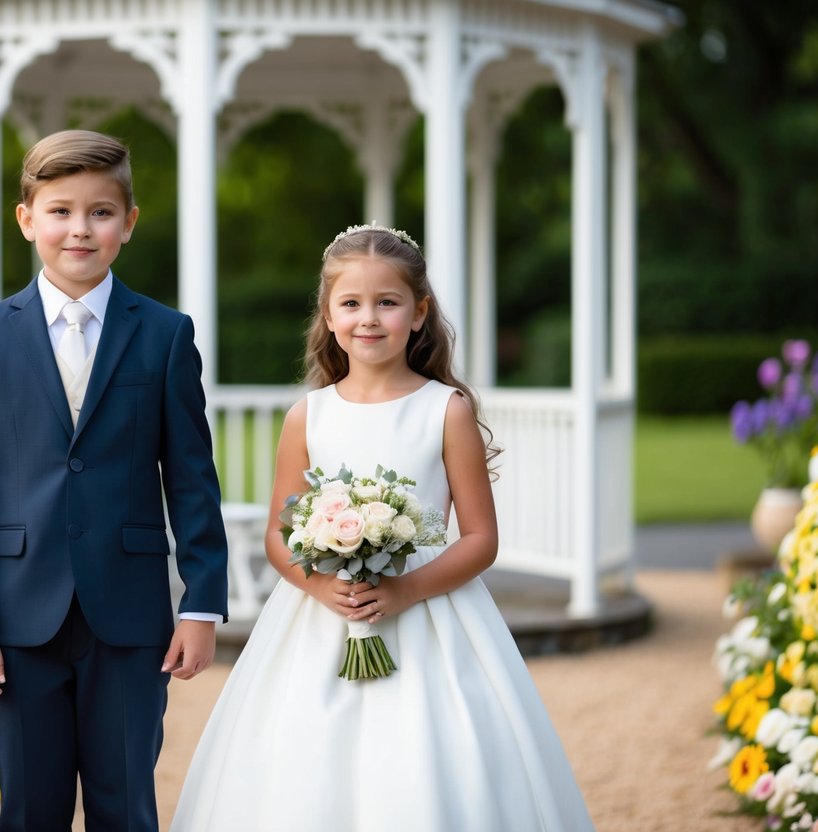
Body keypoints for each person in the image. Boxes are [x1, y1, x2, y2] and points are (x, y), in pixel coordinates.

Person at [171, 225, 593, 831]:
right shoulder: (308, 415)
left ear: (419, 314)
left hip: (428, 614)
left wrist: (401, 591)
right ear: (329, 314)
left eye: (387, 303)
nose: (368, 319)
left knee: (431, 757)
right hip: (322, 617)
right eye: (352, 303)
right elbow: (278, 534)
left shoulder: (445, 410)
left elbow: (480, 539)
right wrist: (319, 586)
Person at [0, 129, 229, 831]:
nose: (79, 229)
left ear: (127, 223)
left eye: (100, 212)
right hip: (15, 615)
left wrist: (201, 603)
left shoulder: (163, 334)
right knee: (30, 807)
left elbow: (191, 478)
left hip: (129, 617)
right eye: (60, 210)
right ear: (27, 219)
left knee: (124, 803)